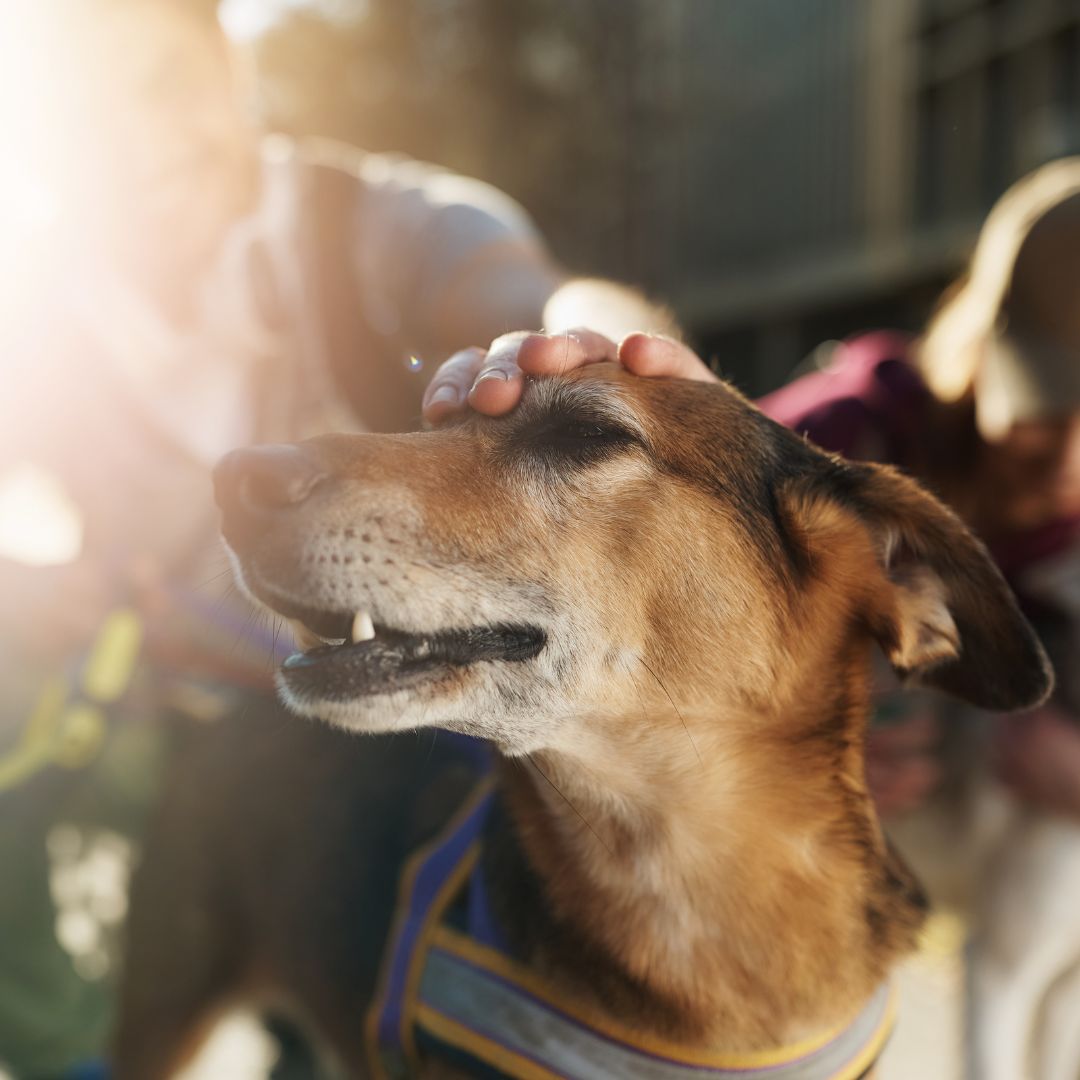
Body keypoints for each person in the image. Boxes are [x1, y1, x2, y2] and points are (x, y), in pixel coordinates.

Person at [0, 1, 677, 1073]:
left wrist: (602, 351)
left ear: (231, 68)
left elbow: (528, 294)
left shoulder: (379, 223)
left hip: (386, 728)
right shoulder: (31, 302)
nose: (132, 144)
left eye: (161, 86)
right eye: (80, 115)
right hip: (154, 724)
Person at [434, 159, 1080, 823]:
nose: (1065, 460)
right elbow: (650, 585)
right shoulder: (845, 433)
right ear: (979, 349)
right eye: (1043, 419)